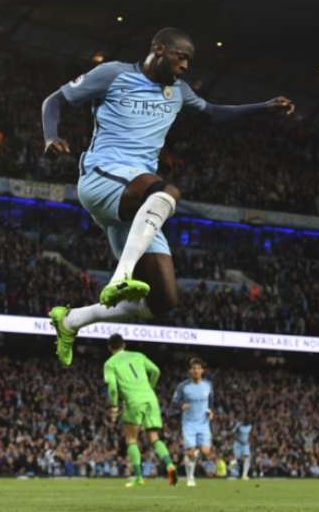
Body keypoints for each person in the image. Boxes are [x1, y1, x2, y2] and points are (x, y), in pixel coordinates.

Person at [42, 26, 294, 366]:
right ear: (159, 50)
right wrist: (50, 137)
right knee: (167, 189)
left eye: (189, 61)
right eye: (182, 57)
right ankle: (121, 277)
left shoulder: (179, 91)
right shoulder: (113, 74)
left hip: (138, 202)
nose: (186, 67)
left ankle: (71, 320)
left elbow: (215, 113)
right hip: (103, 177)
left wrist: (263, 107)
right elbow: (54, 100)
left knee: (163, 301)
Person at [102, 334, 178, 488]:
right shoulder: (138, 355)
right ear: (124, 345)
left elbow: (112, 386)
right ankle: (170, 466)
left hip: (133, 401)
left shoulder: (109, 363)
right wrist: (150, 387)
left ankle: (138, 477)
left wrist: (114, 406)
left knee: (131, 439)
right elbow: (156, 371)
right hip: (151, 398)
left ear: (109, 348)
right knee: (154, 438)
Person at [171, 357, 214, 487]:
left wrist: (211, 411)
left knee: (206, 451)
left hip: (204, 423)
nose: (196, 371)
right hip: (189, 423)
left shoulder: (208, 385)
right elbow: (174, 403)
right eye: (193, 368)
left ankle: (193, 455)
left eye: (198, 368)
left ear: (203, 371)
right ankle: (190, 477)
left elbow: (211, 401)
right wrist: (181, 406)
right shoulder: (183, 386)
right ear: (190, 371)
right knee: (190, 452)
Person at [232, 415, 253, 481]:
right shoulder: (238, 426)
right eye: (246, 420)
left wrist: (249, 441)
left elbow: (251, 434)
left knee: (247, 458)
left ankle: (244, 475)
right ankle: (233, 474)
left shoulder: (250, 427)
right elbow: (233, 434)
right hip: (238, 444)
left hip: (245, 444)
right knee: (237, 459)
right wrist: (240, 440)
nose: (247, 421)